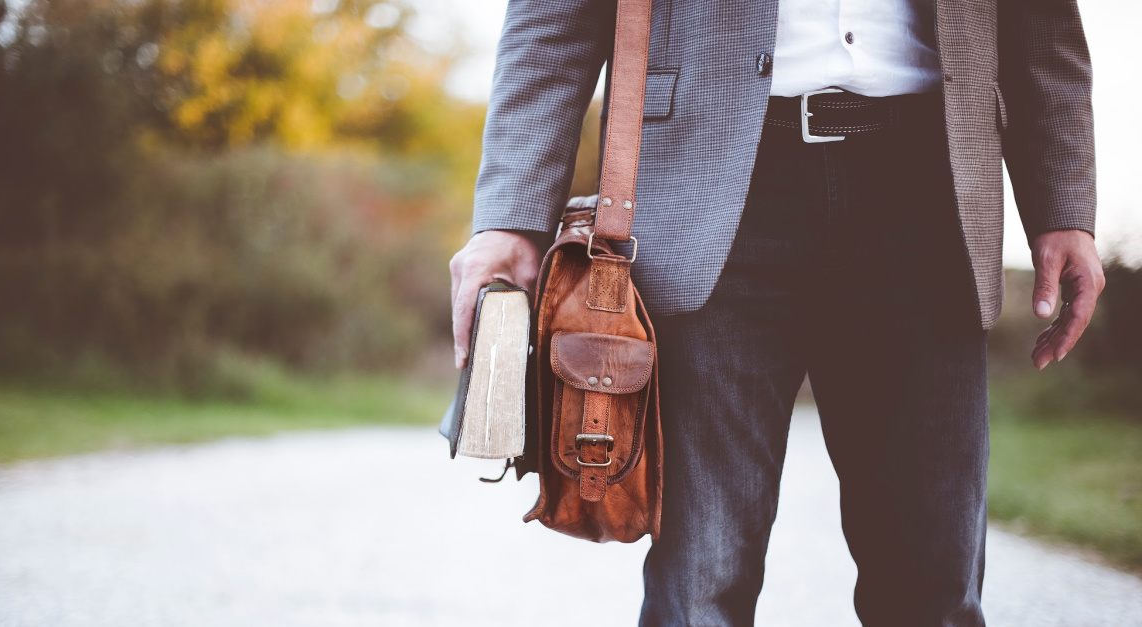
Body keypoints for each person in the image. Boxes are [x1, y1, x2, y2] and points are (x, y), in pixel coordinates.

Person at [448, 0, 1104, 624]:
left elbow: (1041, 26)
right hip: (711, 190)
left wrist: (1063, 205)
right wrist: (511, 216)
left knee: (933, 587)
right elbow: (551, 24)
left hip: (931, 192)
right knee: (699, 582)